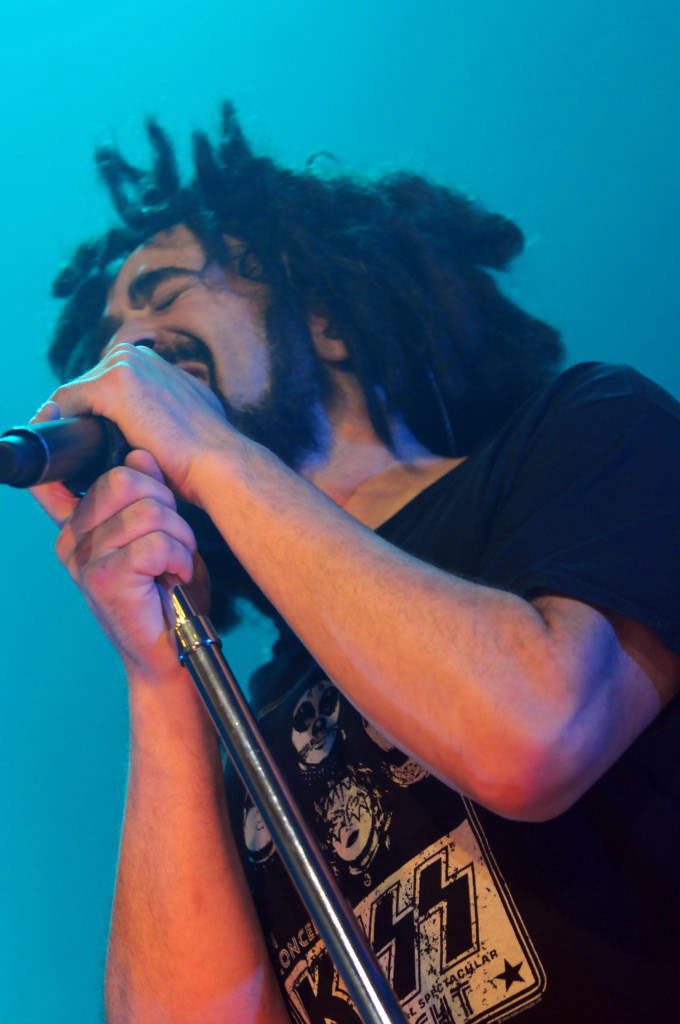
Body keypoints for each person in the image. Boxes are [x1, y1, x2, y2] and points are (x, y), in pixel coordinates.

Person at [32, 103, 679, 1023]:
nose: (123, 353)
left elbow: (532, 737)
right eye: (109, 339)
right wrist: (162, 673)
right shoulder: (248, 720)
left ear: (327, 321)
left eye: (165, 294)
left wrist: (211, 452)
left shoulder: (585, 433)